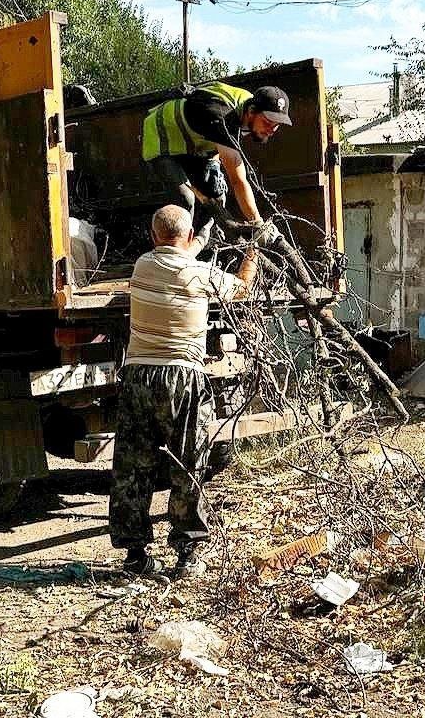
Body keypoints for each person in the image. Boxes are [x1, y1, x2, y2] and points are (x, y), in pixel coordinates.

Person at [109, 204, 258, 577]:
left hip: (139, 376)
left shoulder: (142, 266)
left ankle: (135, 557)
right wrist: (252, 251)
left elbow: (174, 254)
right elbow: (241, 289)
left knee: (132, 466)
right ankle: (188, 554)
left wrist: (195, 240)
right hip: (183, 378)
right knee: (188, 464)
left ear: (152, 235)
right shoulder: (201, 274)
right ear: (190, 237)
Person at [141, 82, 292, 237]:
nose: (272, 130)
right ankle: (181, 253)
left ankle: (207, 243)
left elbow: (217, 139)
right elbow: (238, 181)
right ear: (251, 112)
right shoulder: (223, 117)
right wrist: (258, 223)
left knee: (217, 193)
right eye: (267, 123)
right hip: (163, 137)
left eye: (277, 125)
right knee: (186, 199)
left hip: (196, 142)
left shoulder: (249, 104)